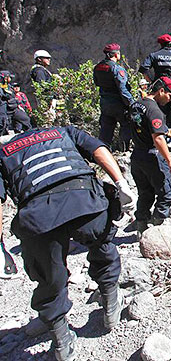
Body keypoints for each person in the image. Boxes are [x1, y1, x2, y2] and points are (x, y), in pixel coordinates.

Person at [0, 126, 136, 360]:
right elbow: (98, 150)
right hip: (84, 198)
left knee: (49, 276)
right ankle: (111, 302)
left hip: (38, 216)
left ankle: (62, 341)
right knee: (102, 242)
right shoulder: (61, 131)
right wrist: (121, 183)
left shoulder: (3, 151)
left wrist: (1, 246)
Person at [129, 76, 171, 234]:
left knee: (145, 192)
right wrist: (170, 160)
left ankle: (141, 225)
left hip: (137, 155)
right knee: (166, 193)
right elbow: (157, 137)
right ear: (161, 90)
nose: (169, 99)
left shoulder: (136, 104)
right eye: (169, 95)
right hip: (152, 157)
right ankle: (157, 228)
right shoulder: (154, 109)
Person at [139, 34, 171, 147]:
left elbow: (143, 69)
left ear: (160, 44)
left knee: (161, 113)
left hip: (160, 90)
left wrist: (152, 81)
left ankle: (162, 139)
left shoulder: (153, 56)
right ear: (170, 44)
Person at [93, 43, 135, 150]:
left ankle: (102, 153)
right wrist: (132, 103)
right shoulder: (117, 69)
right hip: (118, 104)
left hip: (105, 103)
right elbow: (123, 89)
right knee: (126, 125)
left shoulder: (98, 67)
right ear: (116, 55)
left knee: (105, 131)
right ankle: (123, 150)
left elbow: (97, 83)